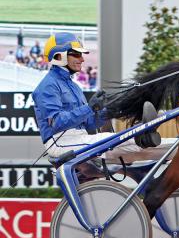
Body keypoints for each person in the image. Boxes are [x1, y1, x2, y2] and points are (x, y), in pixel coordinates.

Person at [32, 32, 161, 161]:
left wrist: (108, 112)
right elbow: (56, 123)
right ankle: (142, 135)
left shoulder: (75, 87)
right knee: (122, 140)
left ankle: (175, 145)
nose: (82, 59)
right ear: (59, 56)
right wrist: (89, 108)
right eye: (76, 54)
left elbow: (88, 124)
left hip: (77, 139)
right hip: (60, 142)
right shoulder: (47, 86)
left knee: (134, 144)